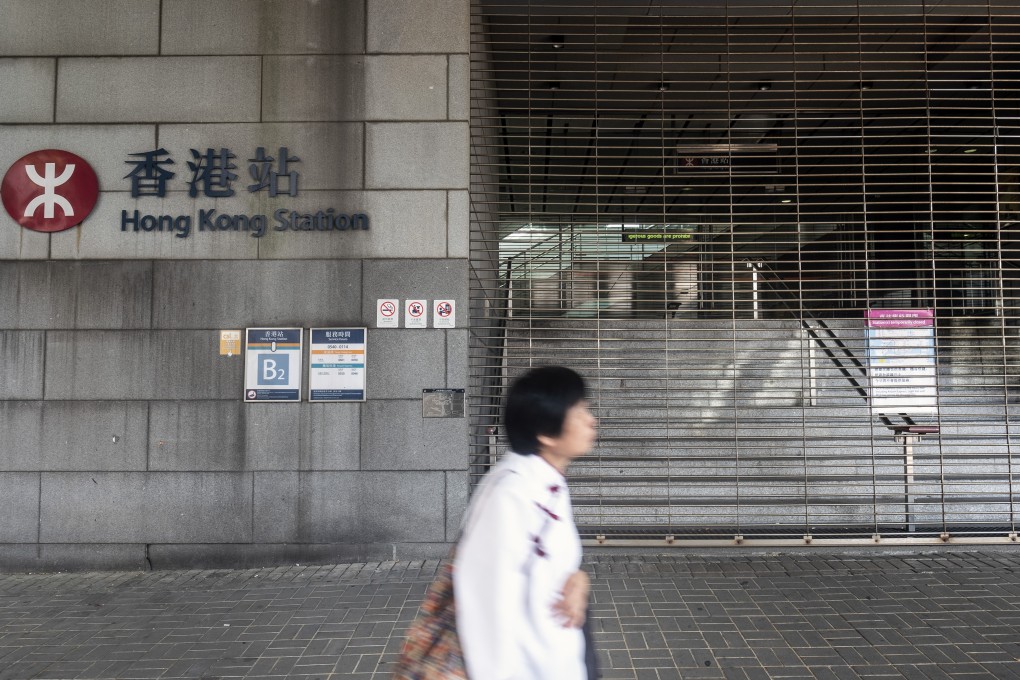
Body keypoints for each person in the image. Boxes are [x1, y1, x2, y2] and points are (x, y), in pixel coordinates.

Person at [454, 365, 597, 680]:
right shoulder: (511, 495)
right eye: (579, 412)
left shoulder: (547, 482)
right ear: (546, 433)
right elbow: (487, 610)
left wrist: (577, 578)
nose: (591, 420)